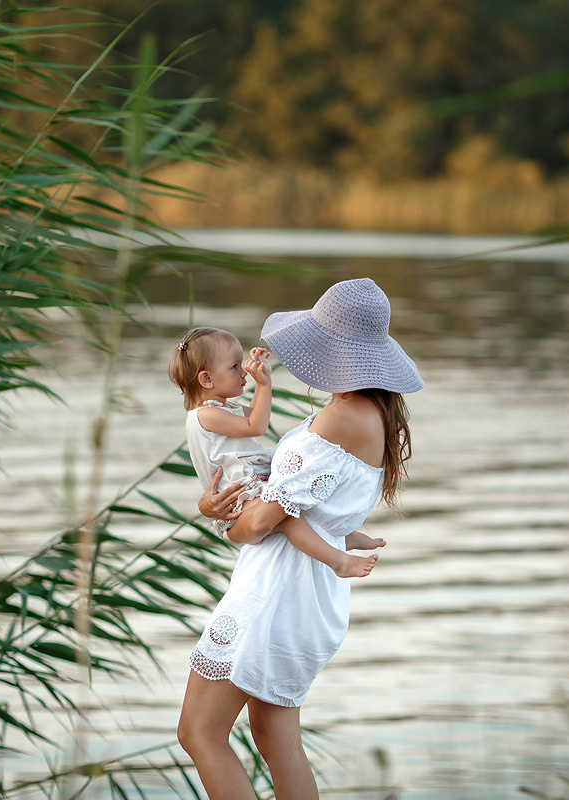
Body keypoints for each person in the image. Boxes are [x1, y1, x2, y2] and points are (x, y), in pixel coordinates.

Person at [176, 278, 423, 800]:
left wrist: (215, 515)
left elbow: (264, 521)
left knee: (199, 732)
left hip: (278, 590)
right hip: (311, 595)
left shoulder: (338, 419)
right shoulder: (375, 414)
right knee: (273, 737)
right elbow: (313, 507)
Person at [169, 327, 381, 579]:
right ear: (206, 380)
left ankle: (336, 538)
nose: (243, 371)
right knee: (288, 517)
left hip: (250, 488)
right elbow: (256, 426)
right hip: (241, 498)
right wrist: (264, 384)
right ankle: (337, 560)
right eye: (234, 367)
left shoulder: (220, 408)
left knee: (292, 510)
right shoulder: (205, 415)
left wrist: (261, 380)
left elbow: (258, 414)